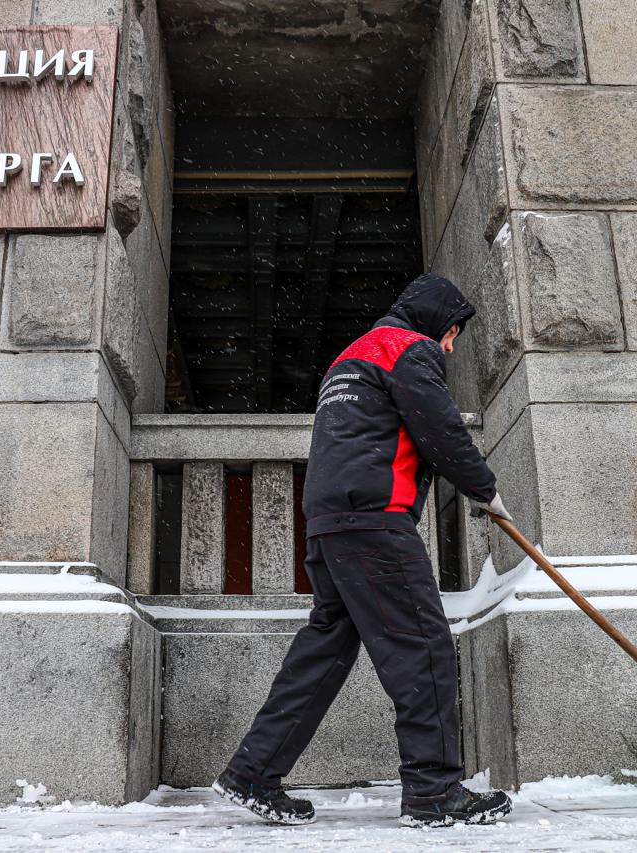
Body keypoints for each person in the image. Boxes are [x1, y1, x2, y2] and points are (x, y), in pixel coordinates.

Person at [212, 273, 513, 828]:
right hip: (374, 523)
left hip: (328, 526)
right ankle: (435, 793)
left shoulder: (352, 356)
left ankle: (253, 772)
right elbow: (439, 428)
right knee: (424, 649)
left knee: (324, 652)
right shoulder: (409, 349)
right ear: (435, 324)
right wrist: (486, 491)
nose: (449, 346)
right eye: (451, 334)